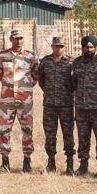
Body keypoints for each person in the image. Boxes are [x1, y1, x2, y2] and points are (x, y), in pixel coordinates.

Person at [0, 28, 38, 172]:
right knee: (3, 130)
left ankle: (27, 161)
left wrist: (24, 88)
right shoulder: (3, 55)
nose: (18, 41)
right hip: (7, 100)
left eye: (20, 38)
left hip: (25, 100)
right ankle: (5, 161)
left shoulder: (30, 56)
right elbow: (0, 75)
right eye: (15, 38)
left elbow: (35, 76)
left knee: (27, 130)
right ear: (10, 39)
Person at [38, 35, 76, 174]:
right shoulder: (45, 62)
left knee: (68, 134)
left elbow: (74, 83)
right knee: (50, 134)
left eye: (61, 46)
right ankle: (51, 163)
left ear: (63, 47)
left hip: (66, 105)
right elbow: (41, 81)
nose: (58, 48)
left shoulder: (71, 62)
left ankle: (70, 164)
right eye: (56, 46)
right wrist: (50, 92)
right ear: (52, 46)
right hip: (49, 105)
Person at [73, 35, 97, 177]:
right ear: (82, 48)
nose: (89, 49)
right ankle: (83, 165)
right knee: (83, 137)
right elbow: (73, 82)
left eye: (92, 47)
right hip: (81, 107)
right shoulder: (76, 63)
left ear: (95, 48)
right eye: (86, 47)